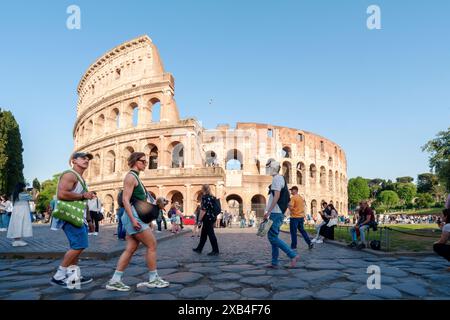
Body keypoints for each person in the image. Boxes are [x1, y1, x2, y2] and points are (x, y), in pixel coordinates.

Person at [106, 152, 169, 291]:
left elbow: (138, 202)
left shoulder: (135, 177)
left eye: (146, 162)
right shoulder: (130, 177)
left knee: (131, 248)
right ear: (135, 161)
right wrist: (134, 220)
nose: (146, 163)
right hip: (133, 217)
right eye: (143, 161)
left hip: (136, 216)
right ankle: (153, 278)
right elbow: (125, 200)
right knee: (152, 244)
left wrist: (148, 220)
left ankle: (115, 280)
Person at [50, 152, 96, 287]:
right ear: (74, 160)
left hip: (77, 216)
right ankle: (59, 276)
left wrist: (89, 220)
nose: (87, 160)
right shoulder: (70, 175)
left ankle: (73, 277)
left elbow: (84, 201)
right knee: (80, 245)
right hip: (69, 216)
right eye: (83, 158)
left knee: (76, 246)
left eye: (88, 159)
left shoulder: (80, 178)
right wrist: (83, 196)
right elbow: (62, 194)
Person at [263, 159, 298, 268]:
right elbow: (277, 196)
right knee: (274, 237)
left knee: (272, 237)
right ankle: (274, 263)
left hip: (276, 212)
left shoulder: (277, 179)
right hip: (277, 212)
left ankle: (292, 255)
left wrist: (268, 211)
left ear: (272, 168)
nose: (267, 169)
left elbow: (277, 196)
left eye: (268, 167)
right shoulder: (279, 178)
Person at [192, 184, 220, 256]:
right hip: (212, 217)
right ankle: (199, 248)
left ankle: (215, 250)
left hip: (207, 218)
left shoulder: (205, 197)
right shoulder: (212, 197)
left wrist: (199, 220)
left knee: (211, 234)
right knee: (204, 234)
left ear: (203, 189)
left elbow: (203, 210)